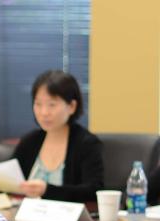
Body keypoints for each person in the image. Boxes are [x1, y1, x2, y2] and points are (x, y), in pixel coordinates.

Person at [11, 70, 103, 202]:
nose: (44, 112)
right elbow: (10, 181)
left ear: (72, 106)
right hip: (25, 218)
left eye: (52, 105)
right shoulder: (29, 141)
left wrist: (47, 190)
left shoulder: (86, 143)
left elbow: (94, 191)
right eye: (38, 104)